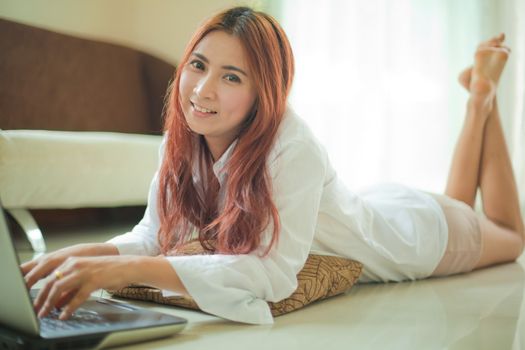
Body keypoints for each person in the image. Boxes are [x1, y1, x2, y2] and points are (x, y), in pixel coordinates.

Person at [21, 7, 524, 325]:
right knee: (460, 204)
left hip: (415, 237)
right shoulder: (187, 136)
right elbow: (153, 233)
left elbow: (273, 274)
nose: (202, 90)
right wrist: (75, 257)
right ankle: (478, 98)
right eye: (198, 65)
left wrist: (129, 269)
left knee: (504, 231)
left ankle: (482, 97)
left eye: (231, 77)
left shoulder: (292, 145)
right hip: (378, 205)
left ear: (266, 93)